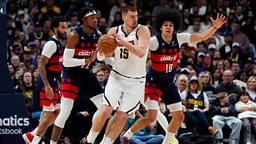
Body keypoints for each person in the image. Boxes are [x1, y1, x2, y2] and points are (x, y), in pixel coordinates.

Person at [123, 10, 226, 144]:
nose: (168, 27)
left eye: (171, 25)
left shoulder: (179, 38)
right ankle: (127, 135)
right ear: (160, 27)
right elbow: (138, 50)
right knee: (151, 117)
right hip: (152, 82)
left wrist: (214, 28)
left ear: (174, 27)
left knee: (179, 117)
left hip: (168, 83)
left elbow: (200, 37)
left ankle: (167, 141)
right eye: (165, 25)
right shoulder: (154, 42)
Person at [86, 6, 151, 144]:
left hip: (136, 81)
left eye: (136, 16)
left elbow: (140, 53)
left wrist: (123, 42)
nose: (135, 19)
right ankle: (89, 140)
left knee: (122, 117)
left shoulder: (143, 31)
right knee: (105, 110)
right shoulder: (114, 31)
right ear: (123, 17)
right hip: (117, 76)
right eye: (131, 16)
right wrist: (102, 53)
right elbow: (105, 51)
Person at [49, 7, 104, 144]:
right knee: (66, 110)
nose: (96, 20)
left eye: (96, 17)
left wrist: (110, 57)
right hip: (71, 75)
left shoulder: (98, 35)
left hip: (86, 75)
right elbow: (66, 62)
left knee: (105, 109)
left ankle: (89, 139)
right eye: (92, 18)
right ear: (84, 20)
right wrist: (86, 60)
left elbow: (102, 57)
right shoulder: (75, 35)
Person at [22, 17, 68, 144]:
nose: (65, 30)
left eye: (66, 27)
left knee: (58, 113)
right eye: (62, 27)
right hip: (47, 83)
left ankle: (32, 135)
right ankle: (34, 140)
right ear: (55, 28)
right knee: (48, 115)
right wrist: (47, 85)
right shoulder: (51, 44)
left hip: (54, 83)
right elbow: (41, 64)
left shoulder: (59, 44)